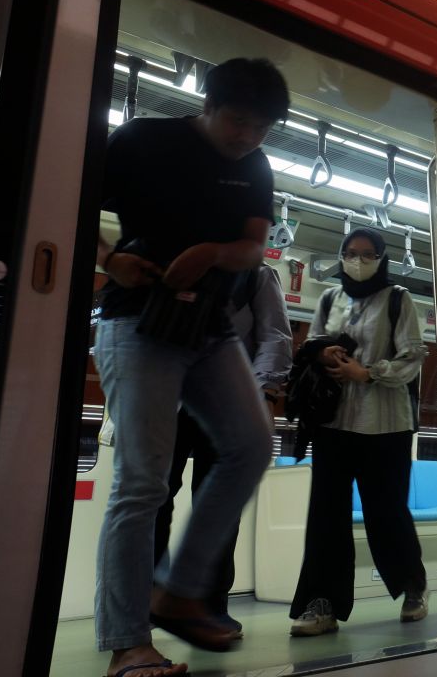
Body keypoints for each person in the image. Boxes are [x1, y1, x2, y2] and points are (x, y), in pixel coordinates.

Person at [93, 58, 288, 677]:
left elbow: (255, 246)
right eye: (237, 122)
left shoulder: (254, 167)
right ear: (207, 104)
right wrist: (108, 263)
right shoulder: (140, 140)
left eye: (261, 129)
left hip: (209, 327)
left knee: (253, 445)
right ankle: (129, 644)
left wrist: (212, 253)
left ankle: (179, 590)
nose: (247, 138)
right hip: (135, 320)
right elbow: (66, 201)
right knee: (143, 483)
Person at [288, 227, 430, 636]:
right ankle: (322, 602)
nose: (358, 261)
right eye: (351, 253)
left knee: (386, 512)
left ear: (382, 258)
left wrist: (367, 373)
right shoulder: (331, 297)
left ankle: (412, 586)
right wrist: (323, 351)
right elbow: (313, 341)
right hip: (333, 422)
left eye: (367, 254)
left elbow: (412, 356)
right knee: (326, 515)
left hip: (386, 425)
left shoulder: (398, 300)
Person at [153, 263, 293, 637]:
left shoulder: (255, 274)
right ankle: (148, 598)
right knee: (154, 499)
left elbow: (275, 336)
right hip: (173, 398)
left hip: (224, 397)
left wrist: (262, 391)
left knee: (217, 503)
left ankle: (209, 605)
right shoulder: (173, 263)